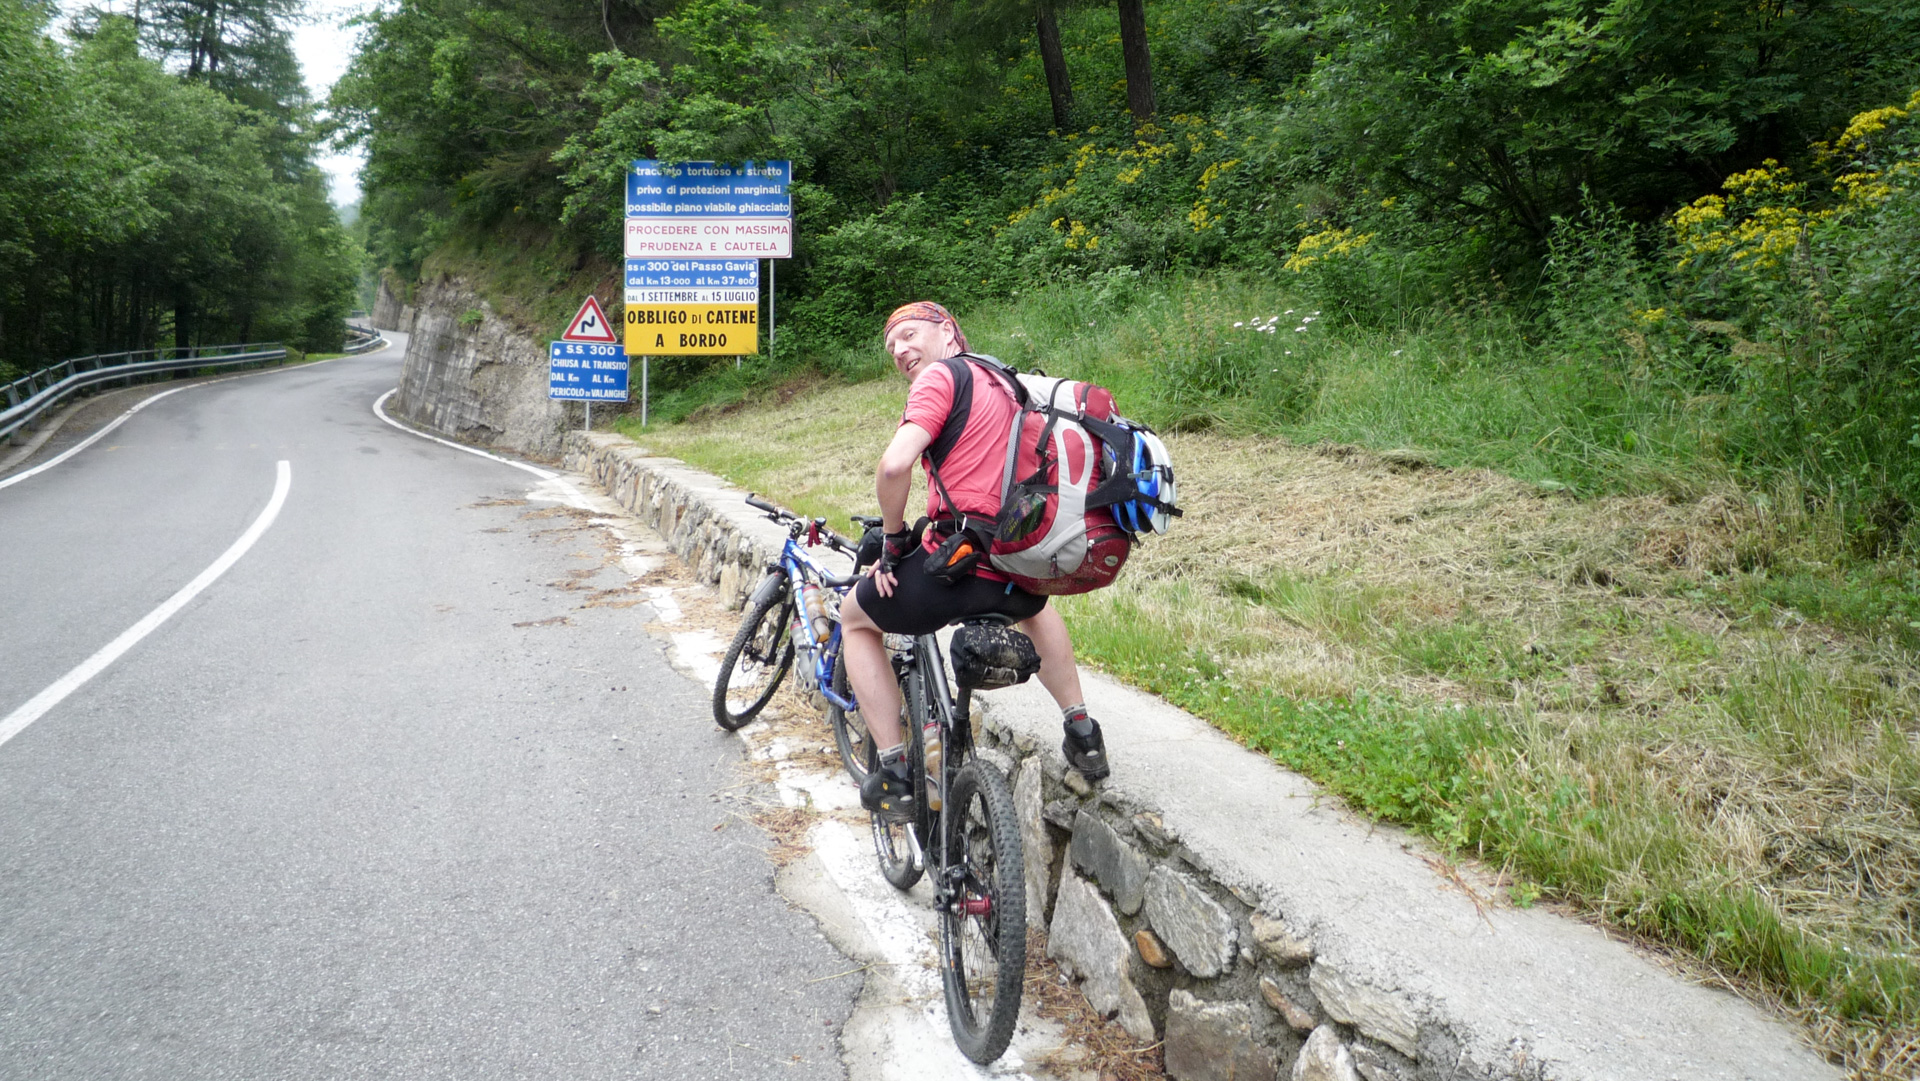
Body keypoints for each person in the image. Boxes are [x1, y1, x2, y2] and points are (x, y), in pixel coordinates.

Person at [838, 301, 1109, 821]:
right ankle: (1083, 732)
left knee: (854, 619)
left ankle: (894, 773)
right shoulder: (1007, 383)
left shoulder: (939, 378)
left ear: (948, 330)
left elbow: (894, 466)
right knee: (1037, 607)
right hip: (1016, 565)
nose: (899, 350)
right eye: (891, 345)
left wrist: (893, 542)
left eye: (909, 334)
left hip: (959, 572)